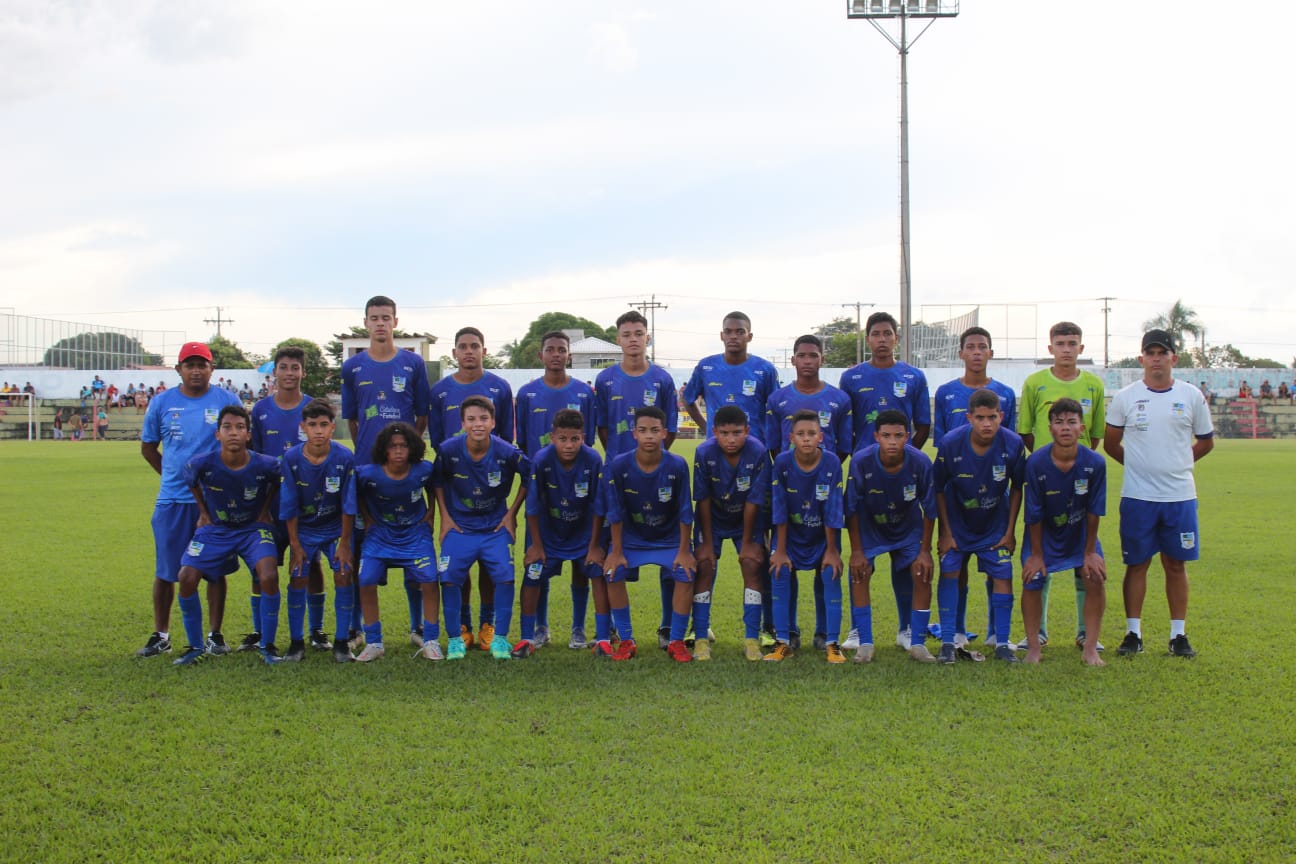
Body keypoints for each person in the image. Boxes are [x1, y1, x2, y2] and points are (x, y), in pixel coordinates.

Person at [1104, 329, 1213, 658]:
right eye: (1149, 353)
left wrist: (1177, 464)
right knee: (1136, 564)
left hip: (1179, 497)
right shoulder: (1125, 397)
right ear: (1141, 359)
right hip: (1138, 497)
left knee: (1176, 565)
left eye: (1162, 353)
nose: (1155, 358)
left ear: (1173, 358)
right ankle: (1133, 633)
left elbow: (1206, 442)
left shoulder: (1192, 396)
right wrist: (1139, 467)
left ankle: (1178, 635)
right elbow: (1111, 444)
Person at [136, 342, 241, 658]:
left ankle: (215, 636)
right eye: (189, 365)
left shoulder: (227, 400)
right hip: (173, 502)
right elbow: (148, 448)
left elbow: (240, 444)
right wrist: (177, 478)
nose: (196, 370)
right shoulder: (162, 403)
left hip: (217, 502)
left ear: (212, 369)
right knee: (166, 571)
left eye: (202, 364)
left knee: (215, 570)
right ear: (179, 369)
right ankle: (161, 634)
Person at [340, 296, 430, 651]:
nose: (380, 323)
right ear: (365, 322)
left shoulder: (412, 363)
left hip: (404, 467)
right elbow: (353, 418)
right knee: (362, 548)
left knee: (414, 545)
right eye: (374, 318)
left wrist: (407, 449)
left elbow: (421, 413)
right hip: (367, 469)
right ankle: (357, 628)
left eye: (386, 318)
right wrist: (370, 451)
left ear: (396, 322)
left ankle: (418, 625)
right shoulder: (353, 368)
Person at [1016, 321, 1106, 652]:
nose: (1066, 348)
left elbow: (1095, 435)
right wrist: (1047, 461)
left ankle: (1086, 634)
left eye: (1072, 343)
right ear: (1050, 347)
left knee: (1088, 564)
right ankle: (1036, 633)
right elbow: (1025, 431)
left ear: (1081, 348)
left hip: (1078, 482)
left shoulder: (1094, 384)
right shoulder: (1035, 383)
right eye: (1060, 343)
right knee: (1039, 561)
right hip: (1043, 477)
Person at [929, 326, 1018, 654]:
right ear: (962, 353)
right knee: (956, 565)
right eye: (971, 346)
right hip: (958, 498)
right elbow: (941, 452)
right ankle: (957, 632)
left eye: (983, 346)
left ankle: (999, 635)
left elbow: (1010, 455)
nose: (977, 352)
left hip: (993, 499)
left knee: (998, 567)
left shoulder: (1005, 393)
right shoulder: (946, 392)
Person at [594, 310, 680, 646]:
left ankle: (666, 628)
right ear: (618, 339)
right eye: (626, 333)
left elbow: (669, 427)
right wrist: (623, 462)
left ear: (648, 337)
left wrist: (651, 460)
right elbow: (602, 426)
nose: (633, 339)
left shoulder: (662, 379)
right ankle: (614, 629)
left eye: (639, 333)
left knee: (668, 548)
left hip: (657, 477)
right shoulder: (605, 380)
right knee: (612, 552)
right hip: (616, 477)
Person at [172, 405, 283, 665]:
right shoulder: (201, 463)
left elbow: (276, 483)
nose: (233, 432)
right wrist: (203, 513)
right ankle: (196, 647)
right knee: (186, 577)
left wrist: (265, 511)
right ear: (217, 434)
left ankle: (267, 647)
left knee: (268, 575)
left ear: (248, 434)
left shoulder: (266, 465)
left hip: (252, 530)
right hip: (216, 529)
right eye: (227, 427)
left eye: (240, 427)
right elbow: (190, 480)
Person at [428, 326, 516, 650]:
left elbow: (506, 438)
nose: (468, 351)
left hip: (491, 484)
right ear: (454, 353)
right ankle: (462, 623)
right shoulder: (439, 391)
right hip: (456, 487)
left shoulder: (499, 387)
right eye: (462, 346)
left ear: (484, 350)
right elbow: (438, 443)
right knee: (459, 562)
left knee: (492, 564)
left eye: (474, 346)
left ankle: (488, 624)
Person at [762, 334, 852, 648]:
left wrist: (818, 473)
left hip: (823, 491)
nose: (808, 360)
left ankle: (824, 635)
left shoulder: (839, 399)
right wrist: (798, 475)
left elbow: (842, 449)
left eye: (814, 355)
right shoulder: (778, 399)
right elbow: (773, 447)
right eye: (802, 355)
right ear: (794, 360)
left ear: (822, 359)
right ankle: (790, 634)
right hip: (791, 490)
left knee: (826, 569)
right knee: (783, 566)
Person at [513, 330, 597, 646]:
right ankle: (540, 629)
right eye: (550, 349)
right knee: (539, 563)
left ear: (569, 355)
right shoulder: (527, 394)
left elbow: (587, 441)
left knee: (581, 567)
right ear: (541, 356)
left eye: (562, 349)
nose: (556, 355)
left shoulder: (584, 393)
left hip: (577, 490)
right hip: (542, 491)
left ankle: (578, 630)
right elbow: (521, 442)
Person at [248, 346, 332, 658]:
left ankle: (316, 630)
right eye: (283, 367)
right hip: (270, 505)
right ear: (275, 372)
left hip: (308, 506)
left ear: (303, 372)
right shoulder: (260, 410)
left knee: (311, 565)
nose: (289, 373)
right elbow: (255, 459)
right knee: (262, 567)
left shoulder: (313, 407)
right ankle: (260, 631)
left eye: (295, 367)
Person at [433, 396, 530, 660]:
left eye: (484, 419)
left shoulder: (506, 452)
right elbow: (437, 481)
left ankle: (498, 637)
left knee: (505, 578)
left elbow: (531, 476)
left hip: (494, 527)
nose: (478, 424)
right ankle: (456, 638)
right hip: (461, 527)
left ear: (493, 422)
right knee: (450, 578)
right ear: (462, 423)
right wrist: (445, 517)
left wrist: (512, 513)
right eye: (472, 419)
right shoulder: (448, 449)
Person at [595, 406, 694, 662]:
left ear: (664, 433)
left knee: (686, 572)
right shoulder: (619, 465)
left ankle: (677, 641)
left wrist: (684, 551)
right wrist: (616, 552)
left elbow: (685, 509)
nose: (649, 436)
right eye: (643, 430)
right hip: (633, 539)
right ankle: (627, 640)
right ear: (634, 433)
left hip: (669, 539)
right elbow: (615, 511)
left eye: (654, 430)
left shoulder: (677, 465)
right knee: (612, 572)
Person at [844, 409, 937, 664]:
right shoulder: (861, 461)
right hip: (871, 527)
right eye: (886, 435)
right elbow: (850, 508)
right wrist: (856, 551)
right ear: (876, 436)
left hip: (908, 529)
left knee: (922, 573)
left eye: (898, 435)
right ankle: (865, 643)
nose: (892, 441)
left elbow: (930, 509)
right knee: (859, 573)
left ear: (908, 436)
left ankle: (917, 642)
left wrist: (925, 551)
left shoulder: (921, 462)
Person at [1021, 398, 1108, 666]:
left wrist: (1090, 551)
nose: (1066, 428)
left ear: (1082, 428)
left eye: (1071, 422)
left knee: (1095, 577)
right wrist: (1036, 555)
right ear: (1050, 428)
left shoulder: (1095, 462)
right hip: (1043, 534)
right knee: (1032, 578)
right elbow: (1033, 513)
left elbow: (1094, 509)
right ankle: (1034, 646)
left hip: (1080, 532)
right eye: (1059, 422)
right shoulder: (1036, 462)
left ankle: (1090, 647)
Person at [516, 409, 602, 656]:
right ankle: (533, 633)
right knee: (534, 574)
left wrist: (595, 545)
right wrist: (536, 545)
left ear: (583, 438)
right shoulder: (542, 460)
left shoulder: (593, 460)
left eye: (574, 439)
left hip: (582, 531)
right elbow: (532, 506)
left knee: (585, 571)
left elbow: (599, 506)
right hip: (547, 532)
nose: (568, 444)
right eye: (563, 439)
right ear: (552, 437)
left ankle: (579, 629)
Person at [280, 399, 358, 663]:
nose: (318, 431)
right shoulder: (291, 459)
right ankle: (296, 642)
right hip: (304, 530)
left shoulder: (345, 457)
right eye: (312, 425)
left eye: (324, 425)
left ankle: (340, 643)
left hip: (336, 529)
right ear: (303, 427)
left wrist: (345, 543)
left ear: (332, 428)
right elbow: (289, 505)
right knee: (298, 577)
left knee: (344, 574)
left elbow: (349, 504)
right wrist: (295, 545)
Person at [353, 422, 438, 663]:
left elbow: (435, 488)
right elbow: (356, 494)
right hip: (381, 535)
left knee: (430, 579)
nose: (398, 451)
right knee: (366, 579)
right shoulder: (368, 474)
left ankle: (431, 640)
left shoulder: (424, 470)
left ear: (412, 448)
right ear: (384, 449)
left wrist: (431, 512)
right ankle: (374, 642)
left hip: (415, 534)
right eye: (393, 446)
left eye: (403, 445)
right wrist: (368, 518)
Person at [766, 410, 846, 663]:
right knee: (779, 572)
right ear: (791, 438)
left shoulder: (832, 462)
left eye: (812, 434)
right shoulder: (781, 463)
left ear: (820, 436)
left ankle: (831, 641)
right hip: (790, 536)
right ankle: (784, 640)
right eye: (801, 434)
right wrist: (779, 550)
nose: (807, 439)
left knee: (829, 573)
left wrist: (832, 550)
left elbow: (834, 508)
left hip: (824, 537)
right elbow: (779, 506)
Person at [693, 405, 771, 661]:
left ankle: (751, 638)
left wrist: (748, 542)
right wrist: (705, 542)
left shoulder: (758, 452)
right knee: (704, 565)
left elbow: (754, 500)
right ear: (714, 431)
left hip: (745, 518)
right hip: (712, 519)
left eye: (737, 432)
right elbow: (702, 500)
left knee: (751, 564)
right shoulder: (704, 452)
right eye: (724, 433)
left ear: (747, 431)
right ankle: (701, 637)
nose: (730, 439)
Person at [683, 311, 780, 446]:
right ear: (722, 336)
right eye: (728, 332)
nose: (733, 336)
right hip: (717, 449)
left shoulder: (765, 369)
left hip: (755, 449)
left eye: (740, 332)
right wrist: (706, 428)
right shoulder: (706, 367)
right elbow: (687, 398)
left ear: (749, 336)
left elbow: (776, 409)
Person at [839, 311, 931, 452]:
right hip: (865, 463)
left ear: (896, 338)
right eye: (876, 334)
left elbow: (923, 426)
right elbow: (845, 428)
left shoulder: (915, 376)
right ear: (868, 339)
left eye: (887, 333)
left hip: (903, 464)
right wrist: (861, 455)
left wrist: (907, 454)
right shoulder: (850, 377)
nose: (882, 339)